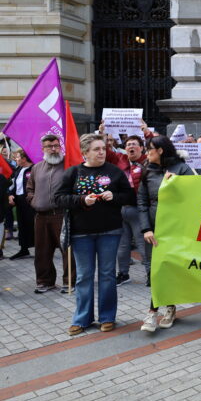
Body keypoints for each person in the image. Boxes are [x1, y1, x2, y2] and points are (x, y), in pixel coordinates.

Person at [55, 134, 133, 336]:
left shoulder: (114, 171)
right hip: (82, 233)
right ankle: (82, 318)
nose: (102, 152)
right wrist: (82, 200)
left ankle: (107, 317)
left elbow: (129, 195)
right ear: (85, 152)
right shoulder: (73, 172)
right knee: (84, 276)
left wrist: (114, 196)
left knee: (107, 275)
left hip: (110, 231)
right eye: (96, 149)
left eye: (103, 148)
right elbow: (59, 198)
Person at [139, 136, 196, 333]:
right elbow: (142, 201)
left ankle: (160, 309)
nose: (147, 153)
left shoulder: (182, 169)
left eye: (150, 149)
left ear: (161, 150)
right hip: (154, 231)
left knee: (169, 268)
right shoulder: (147, 170)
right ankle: (157, 309)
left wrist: (176, 186)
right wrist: (146, 228)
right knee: (155, 270)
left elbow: (196, 197)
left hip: (175, 229)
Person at [27, 134, 75, 293]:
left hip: (61, 214)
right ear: (43, 149)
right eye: (49, 146)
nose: (54, 149)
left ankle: (69, 282)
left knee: (67, 250)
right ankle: (45, 282)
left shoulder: (69, 166)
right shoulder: (36, 167)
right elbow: (29, 189)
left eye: (56, 145)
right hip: (41, 216)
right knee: (42, 251)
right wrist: (33, 200)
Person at [105, 135, 148, 286]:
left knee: (143, 244)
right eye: (128, 144)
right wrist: (104, 134)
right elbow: (106, 151)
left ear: (142, 148)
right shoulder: (120, 159)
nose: (131, 147)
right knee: (122, 246)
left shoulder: (147, 161)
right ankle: (123, 274)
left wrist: (147, 133)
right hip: (121, 209)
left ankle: (150, 273)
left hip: (139, 210)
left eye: (135, 144)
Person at [7, 149, 35, 260]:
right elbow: (13, 185)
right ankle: (24, 249)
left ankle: (42, 250)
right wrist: (10, 195)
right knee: (22, 226)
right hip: (19, 201)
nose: (15, 159)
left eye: (18, 157)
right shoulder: (18, 169)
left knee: (33, 225)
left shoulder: (34, 169)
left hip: (30, 202)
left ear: (24, 159)